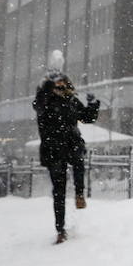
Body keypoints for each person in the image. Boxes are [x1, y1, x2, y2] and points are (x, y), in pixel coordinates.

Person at [33, 71, 100, 244]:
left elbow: (87, 118)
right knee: (59, 191)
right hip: (53, 148)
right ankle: (60, 229)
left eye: (63, 84)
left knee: (79, 160)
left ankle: (79, 194)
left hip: (72, 143)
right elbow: (39, 104)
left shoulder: (70, 101)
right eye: (57, 85)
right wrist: (47, 87)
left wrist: (92, 104)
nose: (61, 88)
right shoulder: (44, 101)